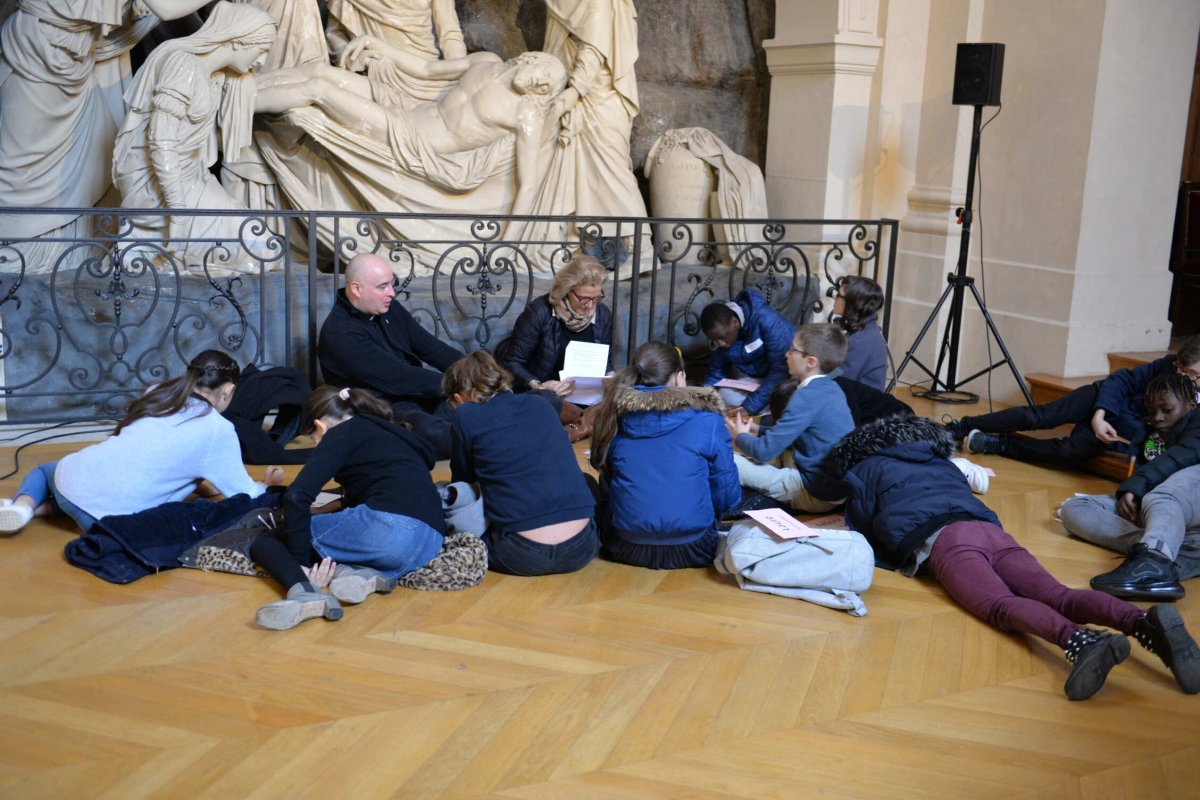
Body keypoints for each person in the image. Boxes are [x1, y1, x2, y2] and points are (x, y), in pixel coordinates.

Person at [829, 413, 1200, 700]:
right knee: (1060, 595)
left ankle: (1082, 642)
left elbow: (863, 529)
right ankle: (1142, 623)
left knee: (1001, 606)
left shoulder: (864, 468)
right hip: (992, 531)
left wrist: (893, 557)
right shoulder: (940, 461)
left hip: (949, 542)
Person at [255, 44, 567, 232]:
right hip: (405, 106)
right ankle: (239, 86)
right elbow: (428, 69)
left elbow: (527, 185)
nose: (540, 85)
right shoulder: (486, 61)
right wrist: (380, 46)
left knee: (318, 92)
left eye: (546, 86)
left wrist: (510, 246)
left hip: (412, 140)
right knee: (319, 72)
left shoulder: (526, 114)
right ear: (531, 58)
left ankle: (235, 103)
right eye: (544, 76)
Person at [0, 350, 281, 534]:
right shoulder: (217, 429)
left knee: (44, 471)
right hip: (102, 523)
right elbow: (243, 494)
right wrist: (268, 484)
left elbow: (147, 452)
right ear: (229, 390)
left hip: (68, 482)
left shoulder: (158, 391)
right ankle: (33, 511)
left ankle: (25, 506)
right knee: (106, 496)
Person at [0, 0, 211, 244]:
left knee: (95, 160)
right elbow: (166, 8)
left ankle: (59, 252)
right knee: (21, 169)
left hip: (76, 57)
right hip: (39, 50)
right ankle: (13, 251)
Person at [250, 386, 446, 630]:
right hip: (428, 544)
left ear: (320, 426)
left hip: (388, 531)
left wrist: (301, 561)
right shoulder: (391, 432)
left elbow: (297, 496)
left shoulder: (340, 432)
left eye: (314, 440)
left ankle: (305, 591)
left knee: (268, 540)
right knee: (326, 537)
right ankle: (353, 574)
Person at [111, 2, 278, 268]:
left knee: (264, 247)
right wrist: (178, 211)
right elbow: (161, 142)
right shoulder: (183, 64)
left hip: (188, 180)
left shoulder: (213, 75)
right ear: (239, 40)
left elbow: (194, 149)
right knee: (257, 250)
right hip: (156, 188)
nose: (261, 61)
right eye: (262, 49)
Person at [443, 351, 598, 576]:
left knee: (458, 503)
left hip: (521, 554)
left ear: (458, 398)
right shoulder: (540, 404)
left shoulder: (466, 414)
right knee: (586, 481)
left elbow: (463, 481)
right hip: (582, 548)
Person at [588, 341, 740, 569]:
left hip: (625, 546)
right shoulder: (707, 419)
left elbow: (609, 480)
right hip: (694, 547)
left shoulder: (614, 416)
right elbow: (728, 497)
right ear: (679, 378)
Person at [947, 334, 1200, 467]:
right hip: (1104, 402)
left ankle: (999, 445)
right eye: (1181, 369)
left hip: (1120, 430)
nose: (1182, 376)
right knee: (1041, 416)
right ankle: (960, 427)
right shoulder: (1167, 365)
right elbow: (1121, 380)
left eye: (1193, 375)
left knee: (1070, 451)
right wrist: (1100, 414)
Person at [1059, 373, 1200, 600]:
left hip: (1180, 497)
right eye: (1152, 411)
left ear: (1191, 405)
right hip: (1162, 511)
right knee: (1075, 508)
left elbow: (1180, 457)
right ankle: (1162, 551)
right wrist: (1133, 495)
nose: (1158, 417)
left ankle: (1153, 566)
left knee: (1161, 495)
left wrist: (1135, 488)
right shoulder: (1150, 432)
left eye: (1167, 410)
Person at [317, 252, 463, 458]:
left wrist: (475, 371)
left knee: (476, 408)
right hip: (383, 410)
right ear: (356, 289)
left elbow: (431, 347)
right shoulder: (340, 333)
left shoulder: (388, 308)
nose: (392, 293)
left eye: (391, 284)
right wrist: (458, 384)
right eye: (382, 286)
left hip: (419, 399)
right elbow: (400, 377)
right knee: (434, 430)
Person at [726, 323, 854, 513]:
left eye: (793, 350)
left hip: (816, 493)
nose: (786, 354)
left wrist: (740, 436)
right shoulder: (832, 388)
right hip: (837, 486)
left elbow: (764, 451)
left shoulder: (804, 397)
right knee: (770, 450)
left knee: (730, 461)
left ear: (811, 362)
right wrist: (757, 430)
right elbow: (795, 433)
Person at [496, 254, 613, 396]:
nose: (590, 305)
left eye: (596, 298)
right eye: (584, 298)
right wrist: (539, 385)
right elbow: (511, 362)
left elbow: (605, 361)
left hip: (586, 395)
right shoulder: (540, 312)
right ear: (566, 290)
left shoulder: (602, 314)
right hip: (545, 395)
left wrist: (610, 375)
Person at [325, 0, 465, 107]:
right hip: (376, 71)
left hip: (425, 73)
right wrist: (356, 61)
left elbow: (450, 36)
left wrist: (461, 77)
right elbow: (336, 36)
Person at [700, 288, 796, 416]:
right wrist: (700, 399)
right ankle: (768, 407)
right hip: (758, 379)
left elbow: (780, 370)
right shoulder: (721, 334)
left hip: (785, 378)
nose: (720, 344)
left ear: (735, 322)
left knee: (787, 397)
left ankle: (771, 408)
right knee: (724, 394)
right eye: (714, 340)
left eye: (722, 337)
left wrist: (748, 408)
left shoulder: (766, 320)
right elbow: (716, 373)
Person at [831, 275, 888, 390]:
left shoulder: (861, 339)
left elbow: (839, 381)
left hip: (860, 404)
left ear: (854, 303)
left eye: (839, 295)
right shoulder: (866, 329)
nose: (834, 298)